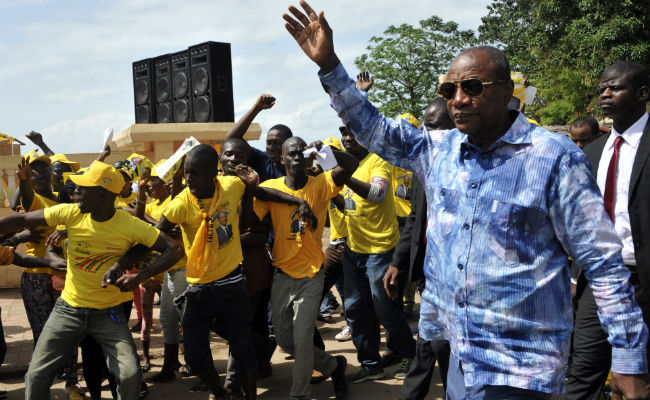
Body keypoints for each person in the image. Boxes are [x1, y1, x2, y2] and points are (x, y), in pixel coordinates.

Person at [282, 3, 649, 398]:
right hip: (461, 357)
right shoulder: (438, 150)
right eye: (449, 90)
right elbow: (373, 127)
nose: (457, 99)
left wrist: (628, 358)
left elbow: (602, 261)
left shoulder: (554, 157)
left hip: (521, 367)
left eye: (472, 87)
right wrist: (330, 65)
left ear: (508, 92)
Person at [0, 160, 183, 399]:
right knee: (36, 375)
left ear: (103, 194)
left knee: (129, 375)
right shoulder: (72, 213)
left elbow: (174, 249)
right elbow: (22, 220)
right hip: (68, 309)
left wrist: (140, 276)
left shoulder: (128, 224)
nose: (76, 192)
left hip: (108, 312)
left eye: (83, 188)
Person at [566, 62, 650, 399]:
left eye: (615, 87)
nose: (604, 93)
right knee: (582, 375)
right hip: (599, 282)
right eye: (602, 87)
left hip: (644, 279)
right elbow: (578, 221)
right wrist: (574, 277)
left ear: (642, 93)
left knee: (636, 383)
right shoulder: (591, 154)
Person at [253, 136, 357, 400]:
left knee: (301, 340)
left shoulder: (320, 185)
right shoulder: (271, 187)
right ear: (282, 159)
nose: (297, 157)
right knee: (284, 338)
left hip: (311, 275)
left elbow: (351, 164)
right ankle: (333, 365)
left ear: (308, 156)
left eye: (302, 152)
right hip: (282, 275)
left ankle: (299, 394)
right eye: (291, 153)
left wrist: (327, 151)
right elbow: (253, 204)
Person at [386, 96, 455, 400]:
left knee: (441, 345)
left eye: (436, 126)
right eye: (426, 126)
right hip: (430, 269)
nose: (429, 133)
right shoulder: (421, 166)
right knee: (429, 343)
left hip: (460, 274)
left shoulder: (471, 167)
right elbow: (414, 219)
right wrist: (398, 262)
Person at [338, 126, 416, 382]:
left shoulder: (378, 160)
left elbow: (377, 194)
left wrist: (344, 177)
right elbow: (347, 203)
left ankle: (409, 356)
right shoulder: (347, 164)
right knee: (355, 309)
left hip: (380, 251)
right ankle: (370, 363)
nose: (347, 137)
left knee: (386, 309)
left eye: (353, 132)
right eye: (343, 132)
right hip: (354, 249)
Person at [226, 94, 292, 182]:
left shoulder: (300, 164)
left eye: (276, 143)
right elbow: (233, 138)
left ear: (288, 144)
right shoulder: (264, 161)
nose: (271, 148)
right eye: (268, 143)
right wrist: (257, 108)